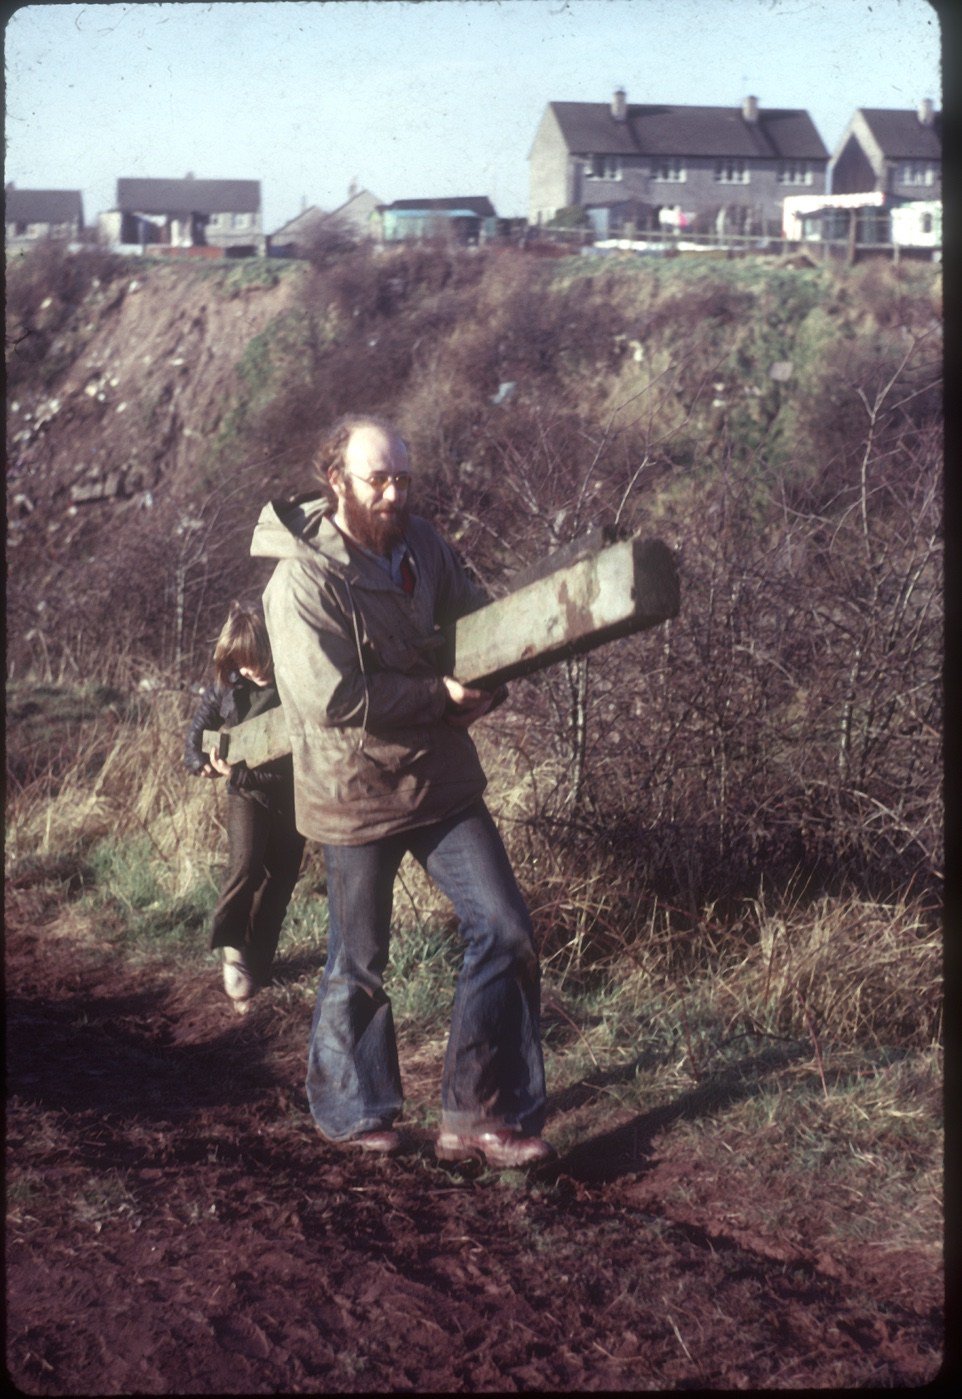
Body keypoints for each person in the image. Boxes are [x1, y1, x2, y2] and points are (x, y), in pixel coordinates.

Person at [250, 415, 553, 1168]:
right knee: (359, 959)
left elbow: (476, 618)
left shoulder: (422, 545)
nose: (393, 494)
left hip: (437, 774)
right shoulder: (299, 579)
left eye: (402, 479)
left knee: (506, 929)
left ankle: (480, 1113)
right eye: (377, 480)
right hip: (352, 787)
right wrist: (439, 696)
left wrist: (491, 680)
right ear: (337, 482)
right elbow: (330, 697)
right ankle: (356, 1109)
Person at [184, 602, 305, 1013]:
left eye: (260, 661)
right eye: (246, 664)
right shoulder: (227, 684)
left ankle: (259, 959)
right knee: (246, 865)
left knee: (282, 876)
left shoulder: (296, 672)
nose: (255, 671)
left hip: (294, 791)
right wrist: (203, 762)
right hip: (246, 790)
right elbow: (197, 731)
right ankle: (232, 950)